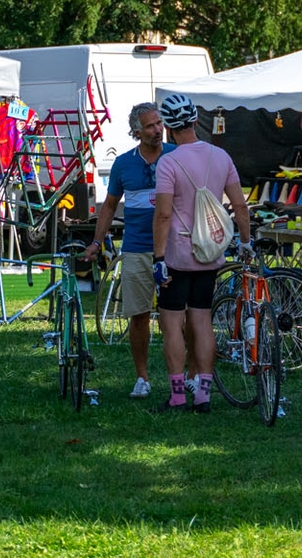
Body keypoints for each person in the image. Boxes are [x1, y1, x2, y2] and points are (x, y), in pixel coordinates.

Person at [150, 92, 253, 414]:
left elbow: (163, 214)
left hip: (177, 254)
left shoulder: (168, 162)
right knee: (202, 321)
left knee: (171, 325)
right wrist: (245, 242)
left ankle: (178, 395)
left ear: (168, 128)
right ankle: (204, 394)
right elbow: (240, 207)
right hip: (209, 253)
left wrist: (158, 258)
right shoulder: (221, 157)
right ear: (196, 120)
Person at [85, 101, 174, 398]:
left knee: (179, 315)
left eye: (159, 123)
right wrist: (97, 242)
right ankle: (142, 377)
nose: (157, 130)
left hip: (173, 248)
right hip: (136, 248)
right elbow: (109, 206)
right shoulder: (123, 163)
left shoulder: (175, 155)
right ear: (136, 132)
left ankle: (186, 376)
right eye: (150, 126)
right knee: (138, 315)